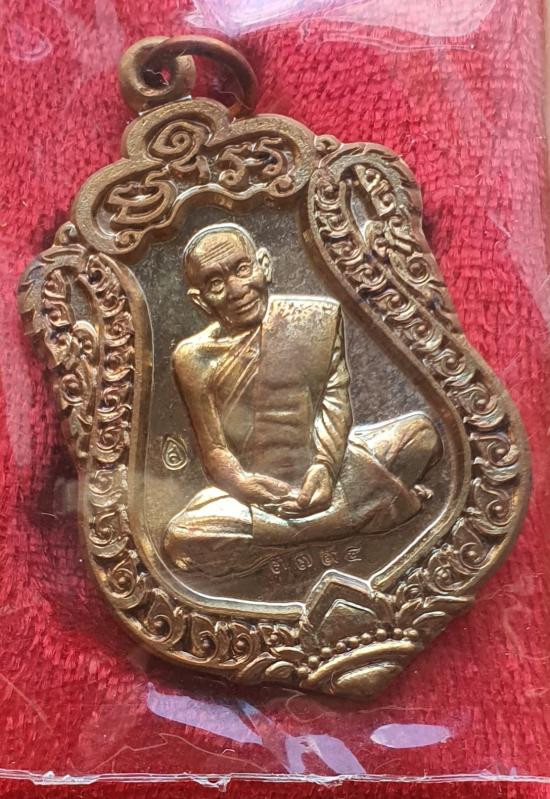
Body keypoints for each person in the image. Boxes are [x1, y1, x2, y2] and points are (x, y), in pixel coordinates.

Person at [164, 223, 441, 576]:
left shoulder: (316, 320)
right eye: (216, 284)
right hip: (257, 495)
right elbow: (215, 450)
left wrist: (324, 467)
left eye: (242, 269)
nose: (236, 290)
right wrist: (244, 485)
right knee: (183, 536)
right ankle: (367, 508)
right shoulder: (193, 358)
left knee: (422, 435)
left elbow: (334, 405)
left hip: (332, 468)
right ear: (200, 300)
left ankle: (295, 531)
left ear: (264, 266)